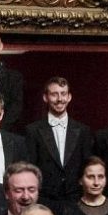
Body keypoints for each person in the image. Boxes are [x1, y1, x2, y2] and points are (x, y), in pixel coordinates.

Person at [26, 74, 90, 204]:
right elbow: (30, 168)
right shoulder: (32, 130)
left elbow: (87, 166)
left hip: (76, 200)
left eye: (63, 94)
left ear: (69, 97)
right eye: (54, 94)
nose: (60, 99)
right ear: (45, 97)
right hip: (44, 200)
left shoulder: (83, 130)